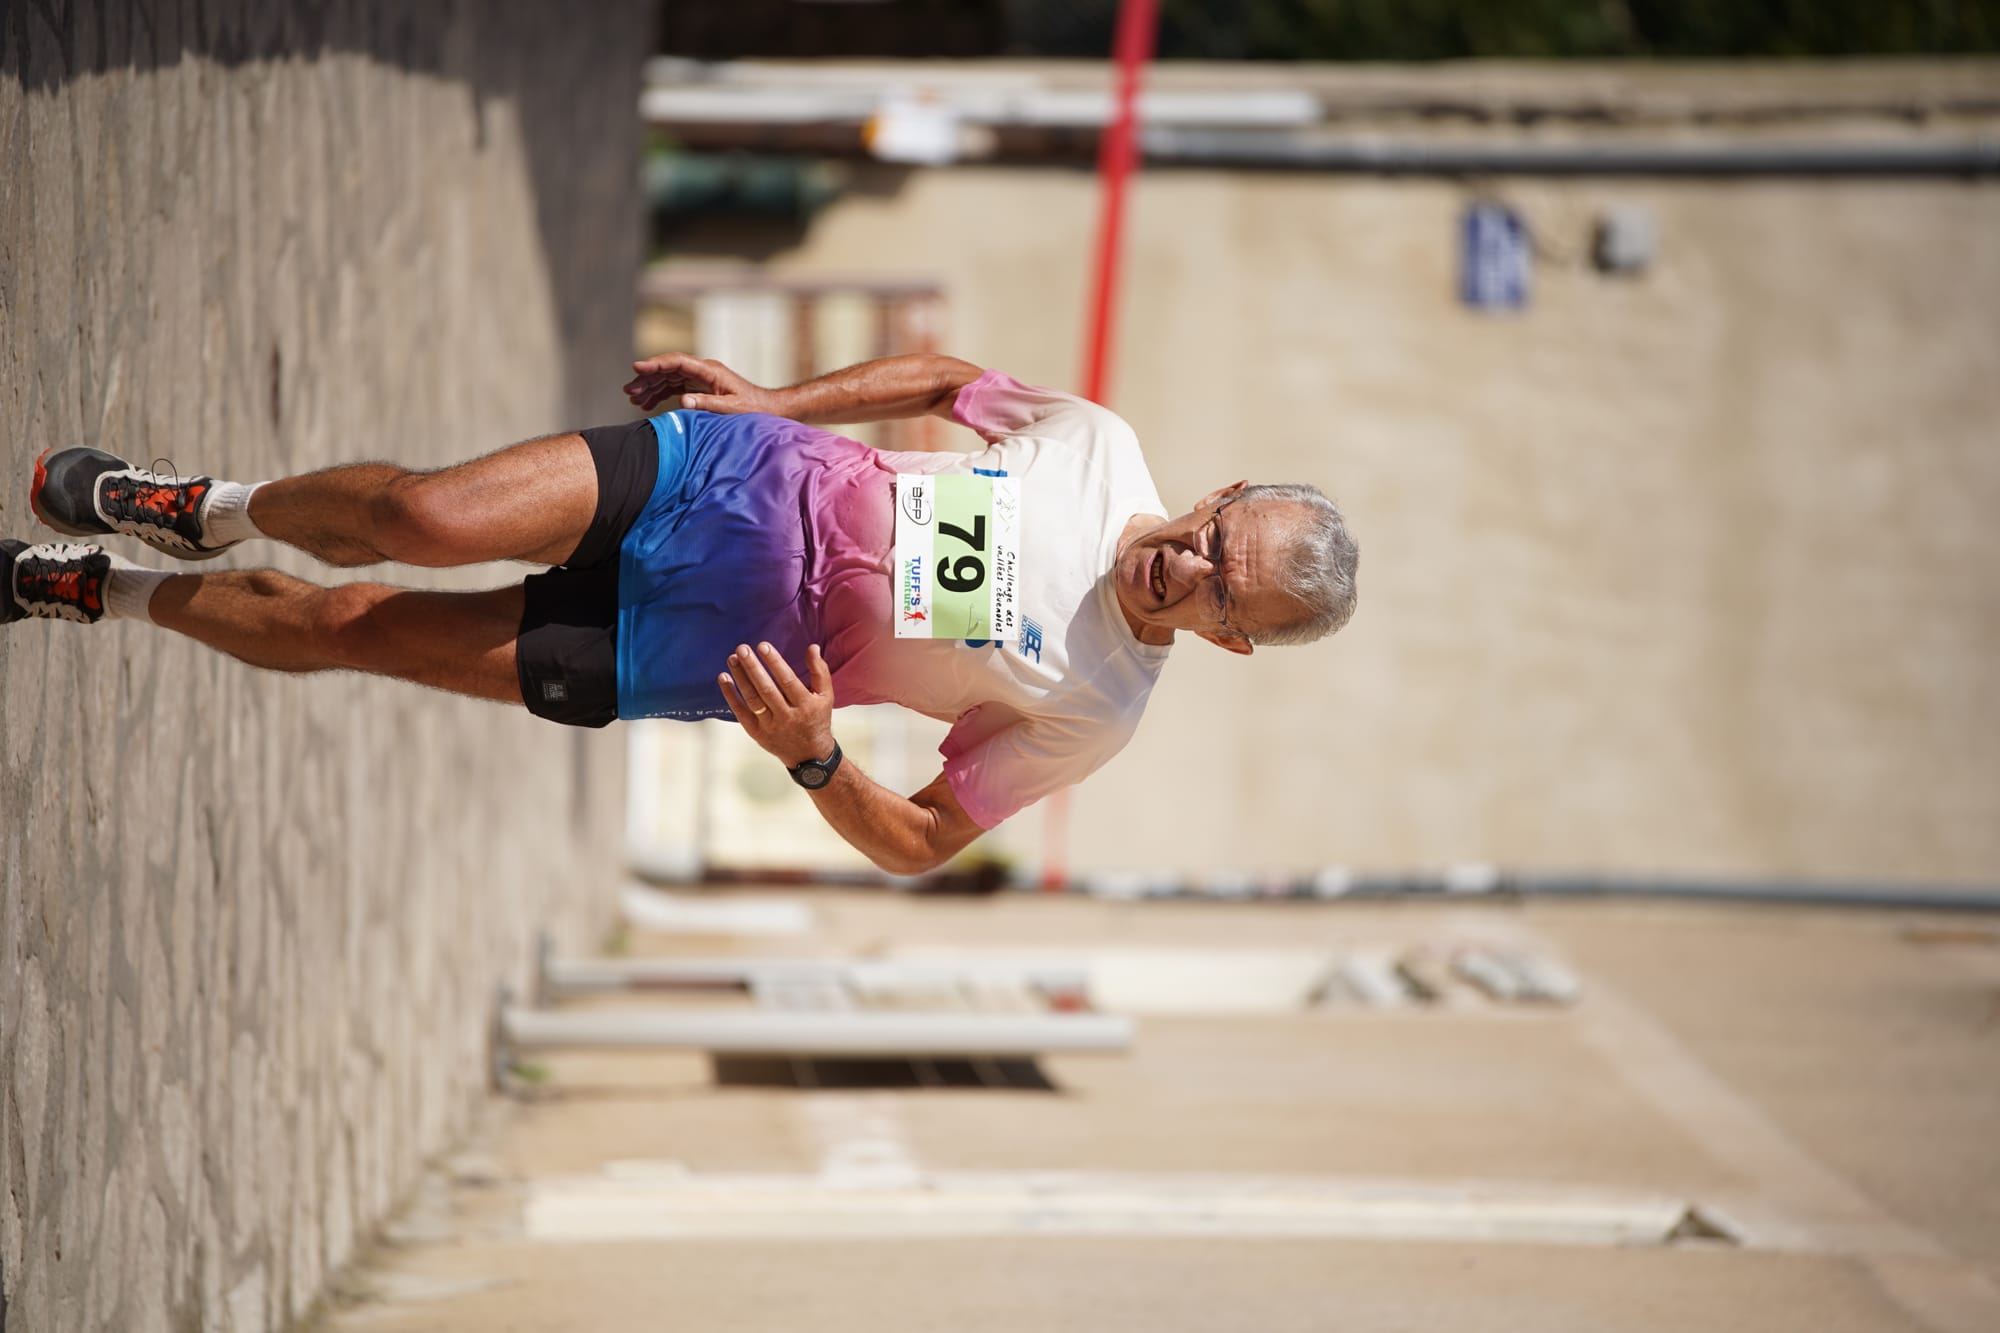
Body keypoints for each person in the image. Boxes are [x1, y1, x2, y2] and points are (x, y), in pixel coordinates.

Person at [5, 353, 1357, 872]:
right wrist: (774, 402)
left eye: (1221, 589)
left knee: (360, 627)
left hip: (702, 655)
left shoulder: (1095, 710)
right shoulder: (1097, 441)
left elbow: (925, 840)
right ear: (1222, 492)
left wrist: (818, 758)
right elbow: (948, 380)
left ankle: (109, 591)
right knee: (422, 519)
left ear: (1232, 638)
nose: (1190, 563)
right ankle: (210, 504)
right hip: (722, 478)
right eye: (1214, 535)